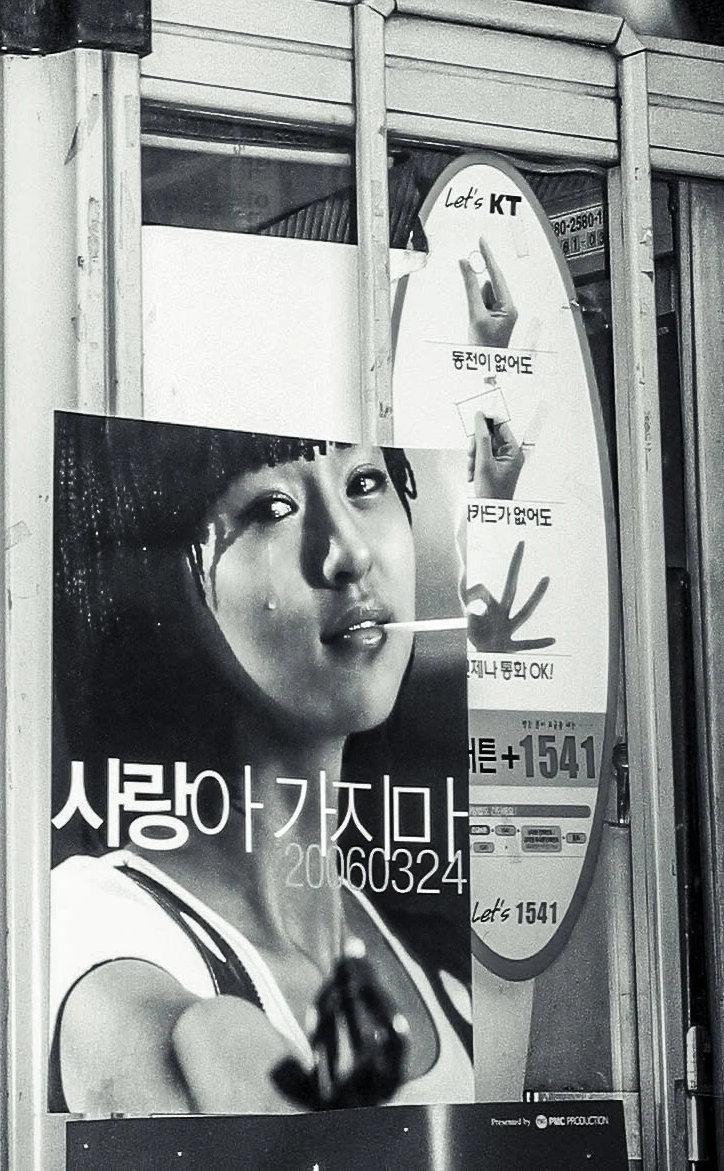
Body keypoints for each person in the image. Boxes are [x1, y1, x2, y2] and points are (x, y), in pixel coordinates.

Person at [50, 419, 475, 1117]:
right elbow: (156, 1036)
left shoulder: (431, 946)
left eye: (364, 484)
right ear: (163, 580)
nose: (348, 552)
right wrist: (210, 1040)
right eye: (271, 509)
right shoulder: (98, 919)